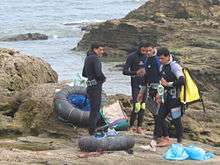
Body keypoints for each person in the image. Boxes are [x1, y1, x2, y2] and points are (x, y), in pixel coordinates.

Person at [153, 47, 185, 146]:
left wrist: (169, 84)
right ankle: (164, 138)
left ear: (168, 56)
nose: (160, 60)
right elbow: (161, 82)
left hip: (175, 97)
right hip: (165, 97)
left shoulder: (175, 66)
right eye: (159, 58)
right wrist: (159, 93)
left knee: (176, 119)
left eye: (162, 58)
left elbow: (182, 80)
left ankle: (180, 141)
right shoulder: (162, 67)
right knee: (159, 117)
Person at [123, 42, 150, 134]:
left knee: (143, 106)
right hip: (135, 84)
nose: (145, 53)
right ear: (139, 48)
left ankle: (139, 127)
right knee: (137, 106)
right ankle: (130, 127)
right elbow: (125, 71)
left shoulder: (148, 56)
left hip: (145, 84)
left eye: (147, 51)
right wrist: (136, 73)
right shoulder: (132, 56)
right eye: (143, 50)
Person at [82, 43, 106, 136]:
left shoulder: (87, 58)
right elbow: (99, 73)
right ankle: (92, 132)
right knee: (95, 110)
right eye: (100, 50)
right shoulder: (95, 58)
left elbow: (84, 73)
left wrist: (91, 76)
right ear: (95, 49)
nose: (102, 52)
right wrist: (103, 79)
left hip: (90, 86)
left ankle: (91, 130)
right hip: (96, 87)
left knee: (93, 109)